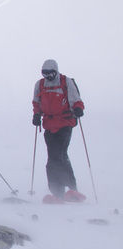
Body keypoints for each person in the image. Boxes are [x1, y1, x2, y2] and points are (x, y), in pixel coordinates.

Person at [32, 59, 85, 203]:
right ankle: (57, 192)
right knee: (53, 157)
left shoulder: (66, 82)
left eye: (50, 73)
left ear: (56, 71)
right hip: (49, 125)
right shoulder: (40, 85)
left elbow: (76, 99)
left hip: (65, 124)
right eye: (45, 73)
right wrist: (36, 115)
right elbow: (36, 103)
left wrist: (79, 108)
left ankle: (71, 189)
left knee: (59, 155)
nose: (48, 76)